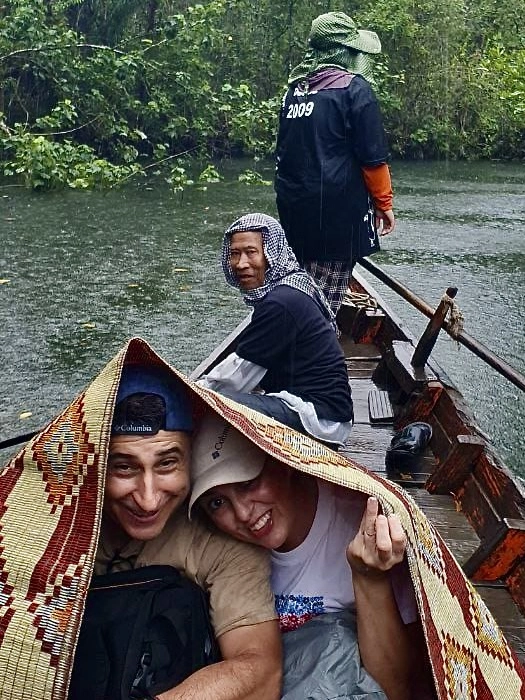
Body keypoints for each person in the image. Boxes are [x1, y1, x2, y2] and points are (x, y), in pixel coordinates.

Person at [189, 412, 434, 700]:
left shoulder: (366, 529)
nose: (243, 513)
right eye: (217, 503)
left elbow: (399, 689)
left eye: (247, 483)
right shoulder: (218, 550)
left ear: (283, 461)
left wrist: (370, 579)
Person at [95, 363, 282, 700]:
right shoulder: (55, 523)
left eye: (167, 463)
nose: (148, 499)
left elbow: (260, 671)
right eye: (124, 467)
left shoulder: (221, 543)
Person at [197, 212, 354, 447]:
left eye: (251, 252)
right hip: (323, 411)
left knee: (211, 404)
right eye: (234, 254)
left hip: (318, 418)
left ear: (272, 254)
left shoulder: (281, 303)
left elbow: (234, 379)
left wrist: (189, 392)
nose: (241, 264)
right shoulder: (291, 287)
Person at [274, 11, 395, 316]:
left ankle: (296, 337)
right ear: (347, 52)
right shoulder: (356, 91)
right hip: (336, 218)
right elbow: (372, 158)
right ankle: (316, 352)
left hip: (295, 213)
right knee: (323, 303)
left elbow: (285, 155)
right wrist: (384, 204)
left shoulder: (295, 92)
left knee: (300, 282)